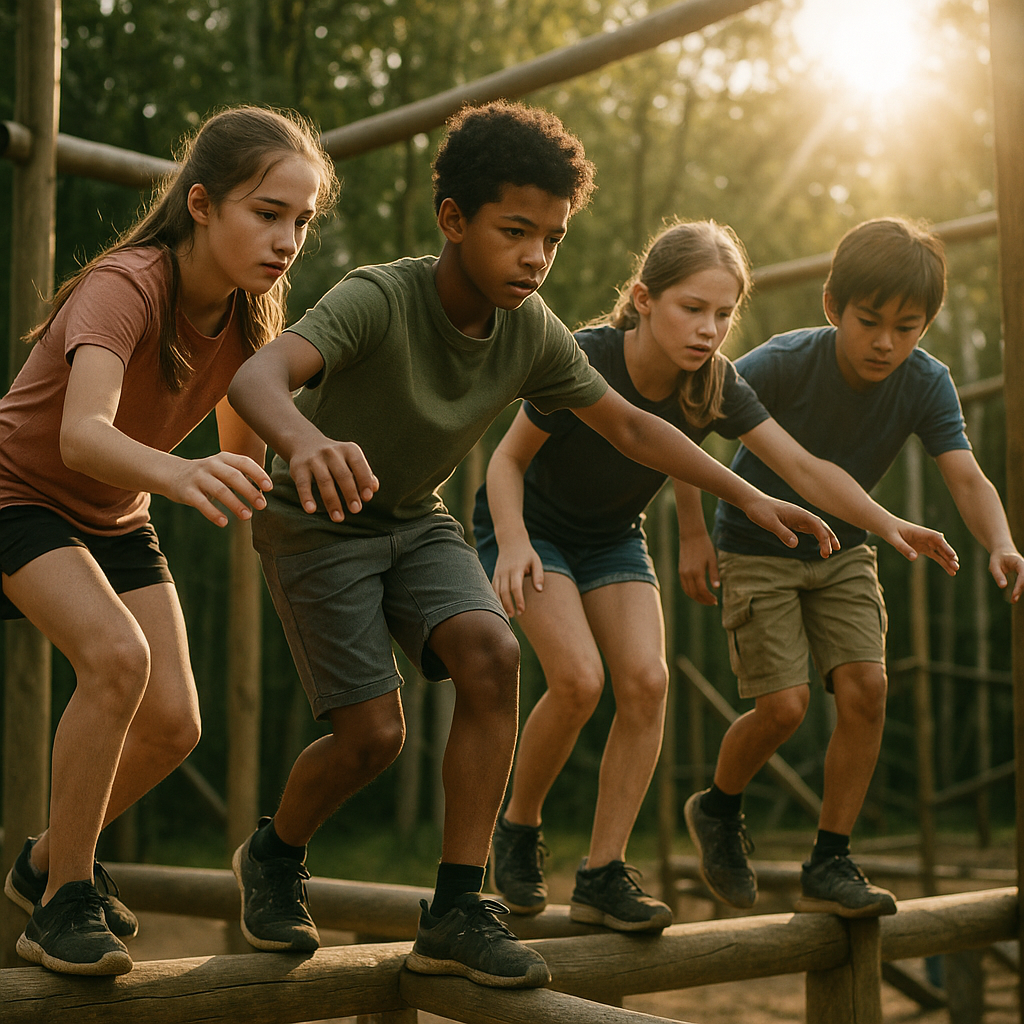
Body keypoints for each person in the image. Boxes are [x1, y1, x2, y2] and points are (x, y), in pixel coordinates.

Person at [226, 102, 841, 990]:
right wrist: (305, 441)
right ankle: (275, 855)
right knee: (373, 738)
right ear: (454, 220)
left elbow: (631, 427)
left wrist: (751, 494)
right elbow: (257, 377)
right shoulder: (381, 296)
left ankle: (458, 906)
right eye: (515, 232)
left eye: (551, 238)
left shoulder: (531, 329)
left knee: (492, 655)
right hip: (316, 525)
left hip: (411, 516)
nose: (536, 258)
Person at [473, 220, 958, 932]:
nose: (709, 329)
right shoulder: (585, 357)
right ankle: (518, 828)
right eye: (691, 309)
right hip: (531, 529)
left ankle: (603, 872)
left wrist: (887, 523)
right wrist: (512, 543)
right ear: (643, 298)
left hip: (610, 540)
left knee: (647, 682)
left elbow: (800, 466)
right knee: (578, 680)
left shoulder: (715, 384)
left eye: (724, 314)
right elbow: (506, 460)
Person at [0, 105, 338, 976]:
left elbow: (243, 452)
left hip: (112, 514)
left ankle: (42, 863)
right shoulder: (128, 283)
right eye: (267, 213)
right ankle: (62, 900)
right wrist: (180, 476)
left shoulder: (250, 320)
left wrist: (306, 486)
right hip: (18, 492)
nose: (287, 238)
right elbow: (82, 435)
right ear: (200, 204)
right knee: (117, 657)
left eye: (302, 220)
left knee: (175, 726)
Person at [681, 217, 1023, 919]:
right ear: (834, 305)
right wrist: (692, 534)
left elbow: (965, 477)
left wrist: (1001, 542)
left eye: (908, 327)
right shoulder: (783, 362)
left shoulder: (926, 383)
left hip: (847, 547)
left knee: (867, 689)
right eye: (871, 322)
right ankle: (718, 808)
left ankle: (831, 859)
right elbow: (682, 431)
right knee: (783, 707)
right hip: (757, 544)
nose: (887, 343)